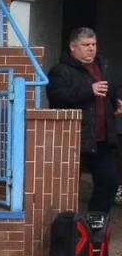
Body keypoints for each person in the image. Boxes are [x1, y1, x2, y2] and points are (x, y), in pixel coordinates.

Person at [46, 27, 122, 214]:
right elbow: (56, 97)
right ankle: (66, 224)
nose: (91, 48)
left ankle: (95, 222)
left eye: (94, 44)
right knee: (66, 187)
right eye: (86, 45)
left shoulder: (103, 65)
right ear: (73, 47)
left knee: (109, 182)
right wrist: (89, 90)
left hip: (103, 138)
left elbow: (113, 88)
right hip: (74, 139)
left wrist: (118, 100)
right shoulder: (60, 70)